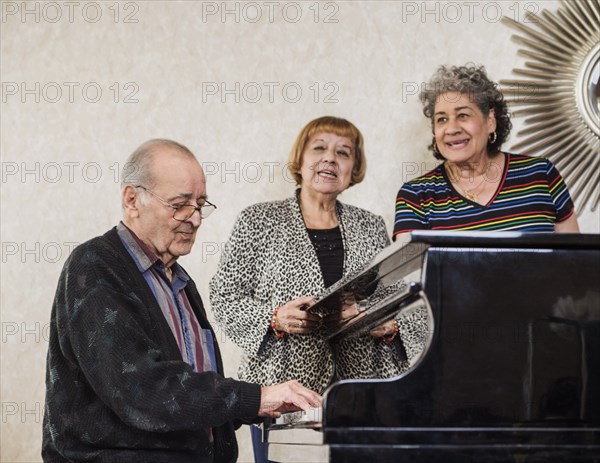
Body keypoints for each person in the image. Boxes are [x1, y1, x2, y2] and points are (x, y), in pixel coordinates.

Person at [42, 139, 322, 463]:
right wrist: (255, 398)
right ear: (132, 200)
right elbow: (142, 392)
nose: (196, 219)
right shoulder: (94, 266)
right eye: (180, 205)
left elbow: (187, 397)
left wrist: (269, 403)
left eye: (201, 204)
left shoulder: (179, 281)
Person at [209, 116, 428, 462]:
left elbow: (399, 301)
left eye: (343, 152)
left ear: (354, 168)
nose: (330, 159)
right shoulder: (258, 220)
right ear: (301, 159)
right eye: (319, 148)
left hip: (359, 392)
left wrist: (387, 326)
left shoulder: (371, 225)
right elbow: (224, 294)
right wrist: (275, 318)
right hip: (283, 389)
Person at [393, 64, 580, 239]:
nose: (451, 129)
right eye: (442, 119)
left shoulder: (540, 174)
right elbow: (411, 273)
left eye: (463, 115)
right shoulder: (415, 197)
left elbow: (574, 262)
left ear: (490, 121)